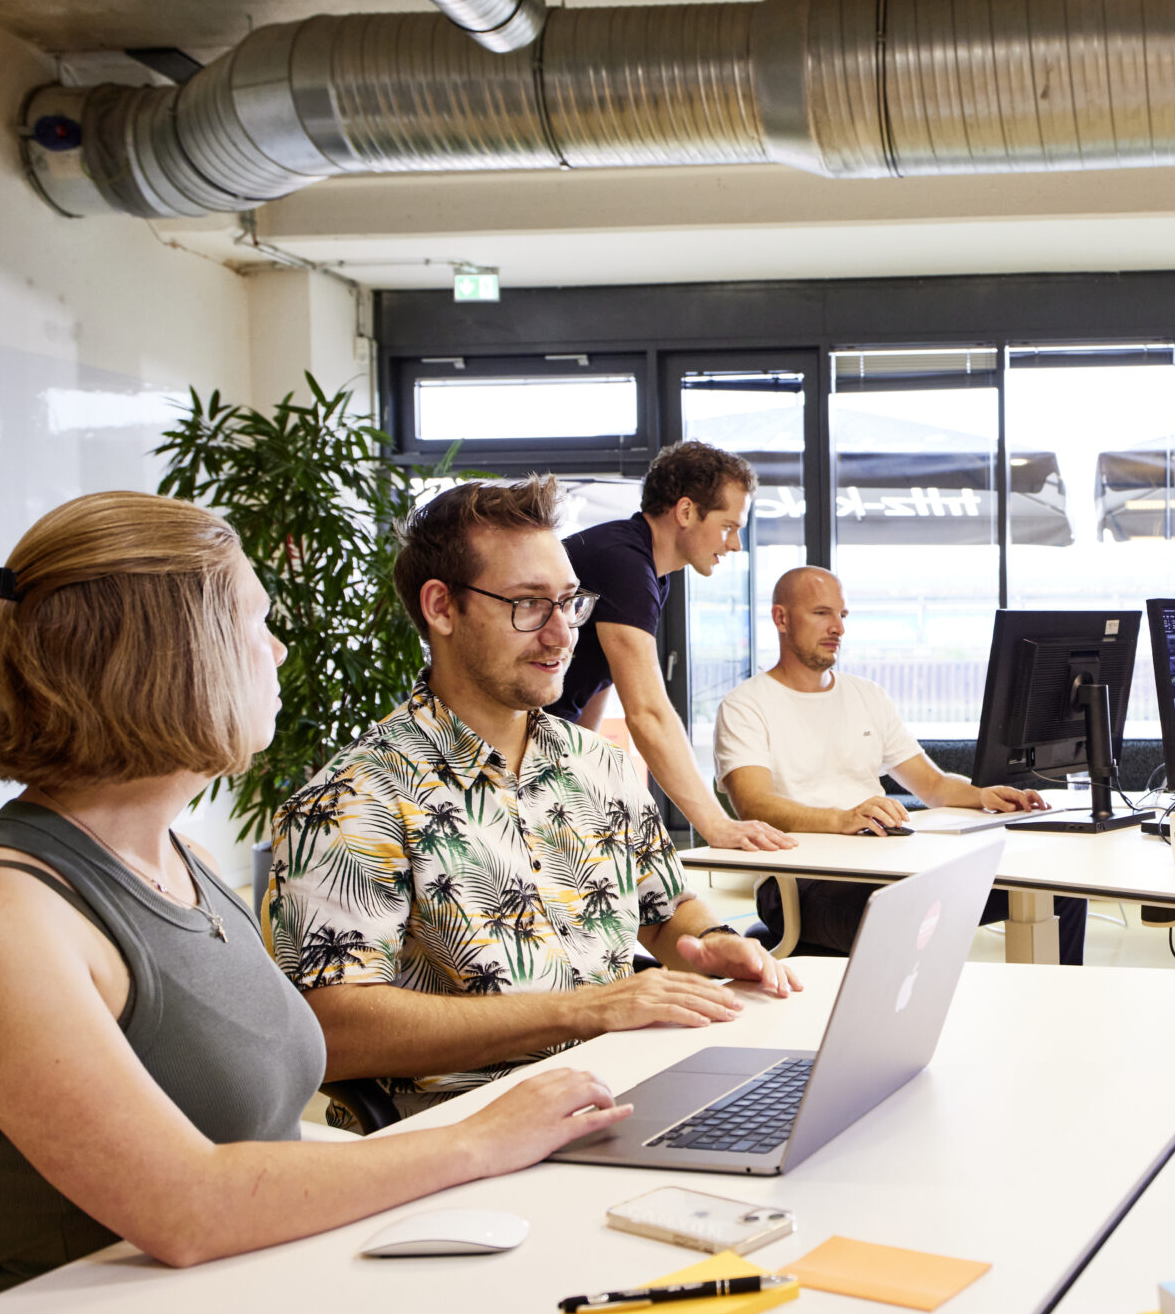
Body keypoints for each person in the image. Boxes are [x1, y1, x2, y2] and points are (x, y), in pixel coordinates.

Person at [0, 492, 633, 1306]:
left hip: (251, 1290)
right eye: (257, 624)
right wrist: (476, 1142)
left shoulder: (185, 861)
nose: (280, 652)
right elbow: (186, 1206)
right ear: (174, 656)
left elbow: (263, 1138)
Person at [270, 476, 796, 1122]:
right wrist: (584, 1010)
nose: (562, 635)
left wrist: (711, 941)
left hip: (634, 1083)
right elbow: (331, 1031)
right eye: (527, 605)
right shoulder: (353, 799)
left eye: (570, 603)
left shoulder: (598, 765)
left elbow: (664, 910)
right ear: (441, 608)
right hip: (470, 1131)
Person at [715, 567, 1091, 963]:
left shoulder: (867, 696)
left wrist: (982, 794)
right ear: (781, 618)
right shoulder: (746, 705)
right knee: (909, 914)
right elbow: (752, 805)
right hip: (799, 882)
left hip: (885, 864)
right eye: (822, 613)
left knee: (1058, 889)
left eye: (843, 616)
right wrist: (841, 818)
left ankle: (1054, 1014)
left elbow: (933, 785)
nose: (837, 628)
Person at [552, 442, 796, 853]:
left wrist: (570, 764)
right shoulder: (624, 563)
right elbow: (646, 712)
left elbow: (602, 675)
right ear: (685, 512)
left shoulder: (644, 567)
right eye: (728, 526)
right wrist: (716, 825)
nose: (735, 544)